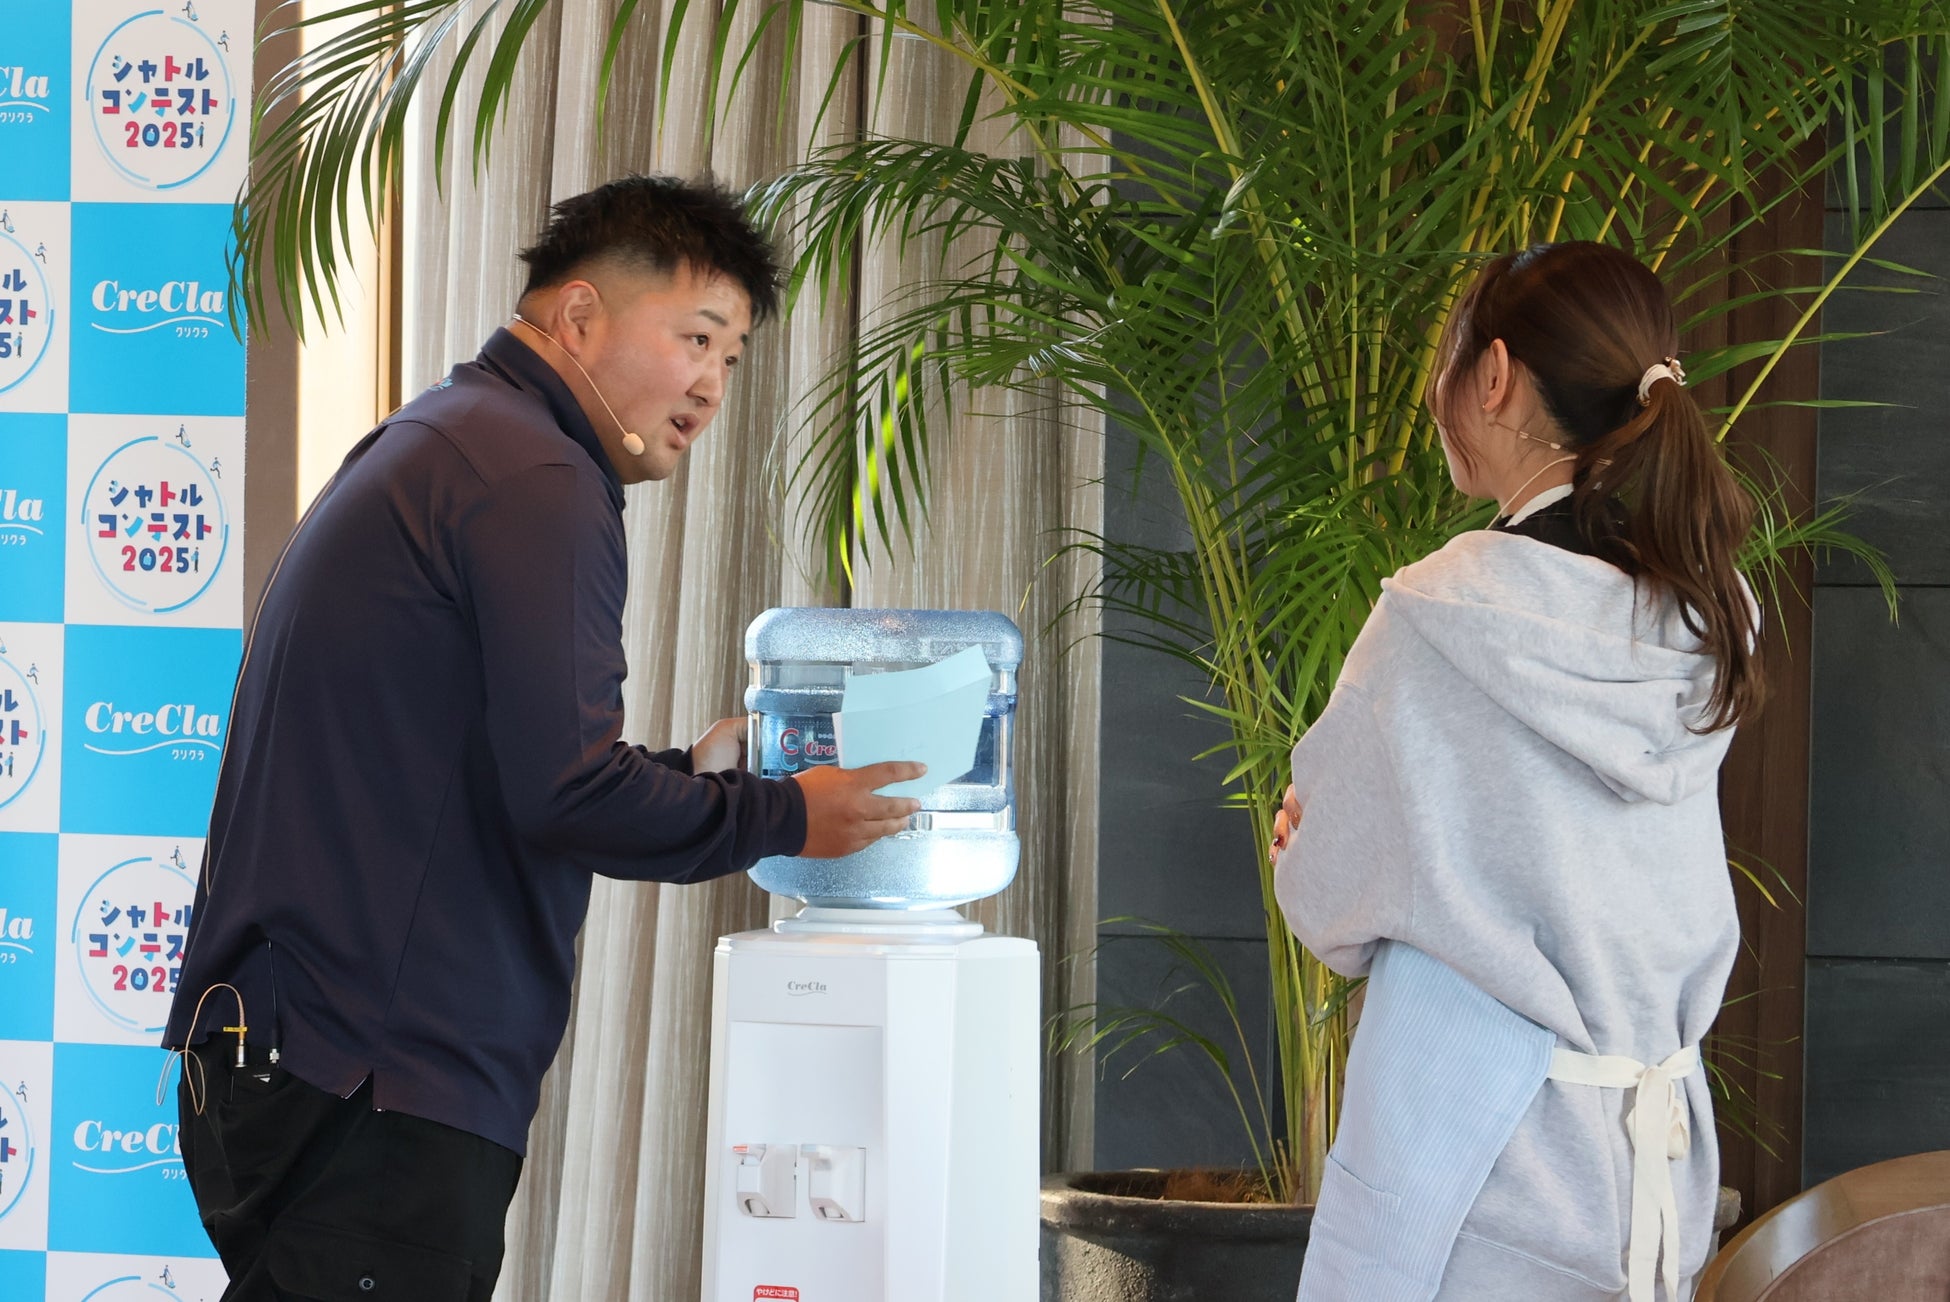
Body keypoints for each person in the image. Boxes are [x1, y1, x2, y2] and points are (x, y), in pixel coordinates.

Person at [162, 175, 924, 1302]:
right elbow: (567, 796)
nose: (711, 386)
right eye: (695, 338)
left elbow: (475, 769)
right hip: (376, 1080)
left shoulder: (450, 437)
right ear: (578, 316)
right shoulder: (537, 474)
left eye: (732, 357)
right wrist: (787, 815)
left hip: (289, 1053)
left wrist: (692, 774)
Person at [1269, 241, 1761, 1302]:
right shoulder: (1703, 619)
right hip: (1649, 1176)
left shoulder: (1439, 617)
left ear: (1492, 375)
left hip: (1470, 1179)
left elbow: (1324, 888)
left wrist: (1300, 841)